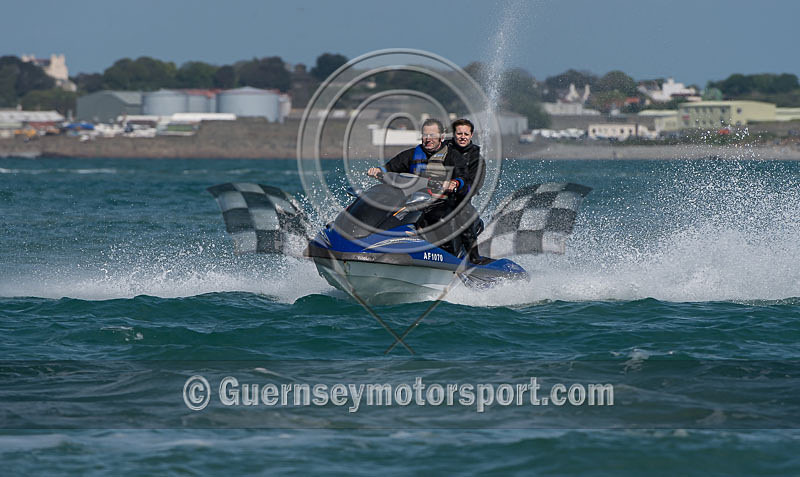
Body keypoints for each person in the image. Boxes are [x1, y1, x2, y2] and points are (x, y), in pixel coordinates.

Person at [367, 118, 468, 253]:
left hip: (442, 203)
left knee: (440, 218)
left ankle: (449, 254)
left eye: (432, 135)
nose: (428, 139)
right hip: (414, 202)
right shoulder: (411, 155)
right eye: (425, 135)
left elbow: (463, 177)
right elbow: (390, 167)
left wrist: (454, 183)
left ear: (442, 137)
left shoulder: (453, 156)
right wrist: (378, 171)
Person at [445, 118, 487, 264]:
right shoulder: (442, 150)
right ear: (454, 134)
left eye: (466, 134)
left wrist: (457, 186)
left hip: (459, 200)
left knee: (463, 214)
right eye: (459, 133)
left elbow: (474, 185)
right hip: (435, 197)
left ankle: (474, 257)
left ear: (471, 135)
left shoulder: (476, 159)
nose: (462, 137)